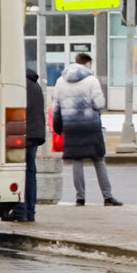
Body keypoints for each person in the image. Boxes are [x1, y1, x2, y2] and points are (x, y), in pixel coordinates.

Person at [52, 53, 121, 207]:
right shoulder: (91, 80)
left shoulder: (60, 81)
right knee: (98, 160)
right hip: (90, 125)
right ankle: (107, 197)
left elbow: (55, 107)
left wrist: (58, 128)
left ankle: (80, 198)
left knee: (77, 161)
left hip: (71, 126)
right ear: (88, 63)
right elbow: (99, 103)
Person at [7, 69, 47, 222]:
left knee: (18, 172)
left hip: (21, 132)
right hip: (35, 134)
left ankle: (20, 211)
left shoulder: (20, 85)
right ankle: (30, 211)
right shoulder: (35, 85)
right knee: (30, 173)